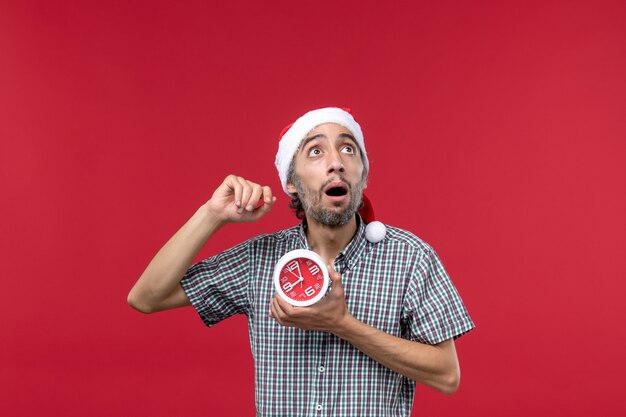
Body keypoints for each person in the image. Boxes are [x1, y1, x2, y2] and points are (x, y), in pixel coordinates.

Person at [128, 107, 475, 416]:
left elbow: (447, 375)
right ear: (291, 183)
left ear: (363, 177)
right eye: (316, 151)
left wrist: (342, 324)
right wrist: (212, 215)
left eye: (348, 149)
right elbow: (146, 297)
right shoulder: (259, 259)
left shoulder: (410, 257)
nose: (336, 161)